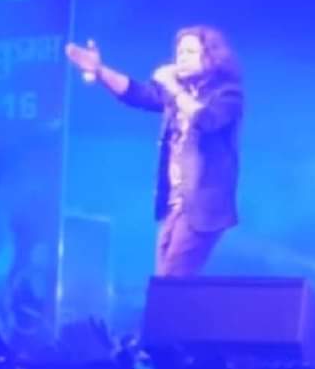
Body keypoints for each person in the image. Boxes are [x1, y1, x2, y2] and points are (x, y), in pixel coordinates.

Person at [65, 26, 243, 277]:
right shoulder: (177, 94)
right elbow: (137, 94)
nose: (181, 57)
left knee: (170, 280)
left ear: (211, 57)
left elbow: (206, 119)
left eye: (190, 52)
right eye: (179, 52)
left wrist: (172, 85)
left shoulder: (227, 94)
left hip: (202, 208)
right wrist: (100, 71)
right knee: (165, 283)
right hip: (173, 207)